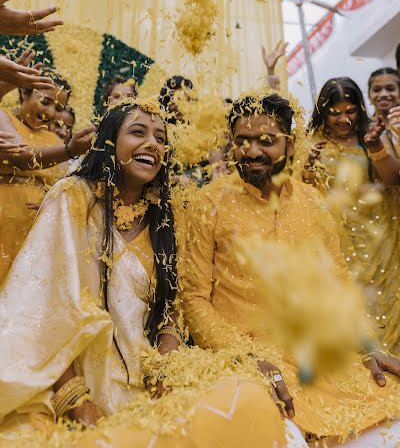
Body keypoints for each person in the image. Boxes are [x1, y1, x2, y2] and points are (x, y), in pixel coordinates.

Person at [0, 99, 292, 448]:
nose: (152, 144)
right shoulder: (72, 197)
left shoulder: (168, 217)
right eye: (138, 132)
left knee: (250, 399)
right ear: (109, 141)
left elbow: (171, 310)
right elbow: (39, 311)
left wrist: (166, 370)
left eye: (160, 138)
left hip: (147, 376)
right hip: (69, 377)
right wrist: (75, 400)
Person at [182, 89, 400, 444]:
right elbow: (193, 298)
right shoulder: (208, 203)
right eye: (242, 141)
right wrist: (245, 357)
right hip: (249, 364)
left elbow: (338, 283)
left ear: (290, 144)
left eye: (265, 141)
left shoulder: (313, 200)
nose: (252, 151)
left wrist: (368, 346)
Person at [304, 77, 400, 354]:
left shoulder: (371, 134)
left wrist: (374, 147)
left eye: (350, 111)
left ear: (360, 108)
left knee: (385, 304)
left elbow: (393, 177)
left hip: (379, 236)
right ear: (323, 111)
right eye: (335, 113)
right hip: (337, 240)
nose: (343, 119)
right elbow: (304, 191)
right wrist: (308, 165)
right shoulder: (314, 143)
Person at [0, 72, 94, 283]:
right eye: (45, 101)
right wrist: (69, 150)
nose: (51, 112)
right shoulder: (3, 117)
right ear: (25, 92)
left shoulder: (53, 139)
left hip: (34, 236)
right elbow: (22, 158)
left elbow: (65, 185)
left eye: (59, 108)